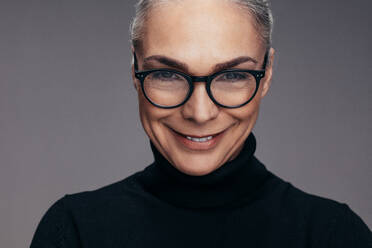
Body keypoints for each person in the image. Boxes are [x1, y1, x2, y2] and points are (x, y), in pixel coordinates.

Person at [30, 0, 372, 247]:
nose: (200, 112)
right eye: (167, 73)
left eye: (233, 75)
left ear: (267, 74)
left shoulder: (334, 235)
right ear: (135, 70)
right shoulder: (73, 231)